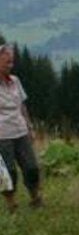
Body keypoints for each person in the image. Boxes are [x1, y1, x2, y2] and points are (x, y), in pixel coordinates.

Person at [0, 44, 43, 213]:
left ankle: (35, 198)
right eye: (6, 62)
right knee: (7, 172)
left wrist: (30, 126)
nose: (10, 66)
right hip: (2, 135)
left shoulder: (15, 81)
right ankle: (12, 205)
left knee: (31, 167)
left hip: (20, 130)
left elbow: (22, 106)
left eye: (11, 62)